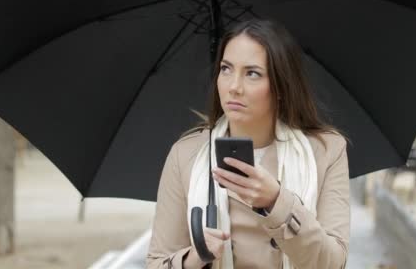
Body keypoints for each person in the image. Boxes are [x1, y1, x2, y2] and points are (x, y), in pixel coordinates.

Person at [146, 18, 350, 269]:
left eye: (252, 73)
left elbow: (333, 263)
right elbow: (157, 263)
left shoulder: (326, 151)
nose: (234, 87)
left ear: (280, 86)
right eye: (226, 69)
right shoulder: (186, 154)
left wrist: (276, 201)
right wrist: (196, 257)